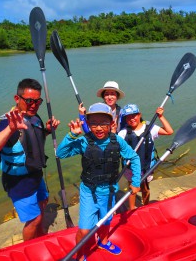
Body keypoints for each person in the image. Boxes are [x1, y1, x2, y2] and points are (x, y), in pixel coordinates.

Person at [56, 102, 141, 260]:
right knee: (84, 230)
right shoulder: (84, 142)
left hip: (109, 191)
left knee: (106, 221)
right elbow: (60, 154)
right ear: (88, 124)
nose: (99, 128)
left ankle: (104, 241)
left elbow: (134, 158)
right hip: (89, 192)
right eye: (94, 123)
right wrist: (72, 135)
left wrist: (135, 181)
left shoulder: (118, 142)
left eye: (103, 123)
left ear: (112, 123)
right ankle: (80, 256)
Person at [0, 78, 60, 241]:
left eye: (38, 101)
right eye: (29, 101)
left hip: (36, 175)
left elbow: (33, 140)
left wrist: (46, 130)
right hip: (19, 182)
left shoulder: (34, 116)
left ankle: (41, 239)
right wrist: (10, 129)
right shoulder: (6, 123)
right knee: (34, 220)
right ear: (17, 99)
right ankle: (29, 250)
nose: (34, 105)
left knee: (43, 204)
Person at [118, 103, 174, 210]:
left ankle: (145, 206)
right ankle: (132, 208)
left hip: (147, 167)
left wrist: (161, 116)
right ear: (125, 119)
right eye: (128, 117)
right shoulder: (123, 133)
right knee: (133, 189)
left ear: (139, 115)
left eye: (134, 115)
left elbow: (169, 131)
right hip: (131, 169)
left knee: (145, 189)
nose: (132, 118)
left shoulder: (150, 128)